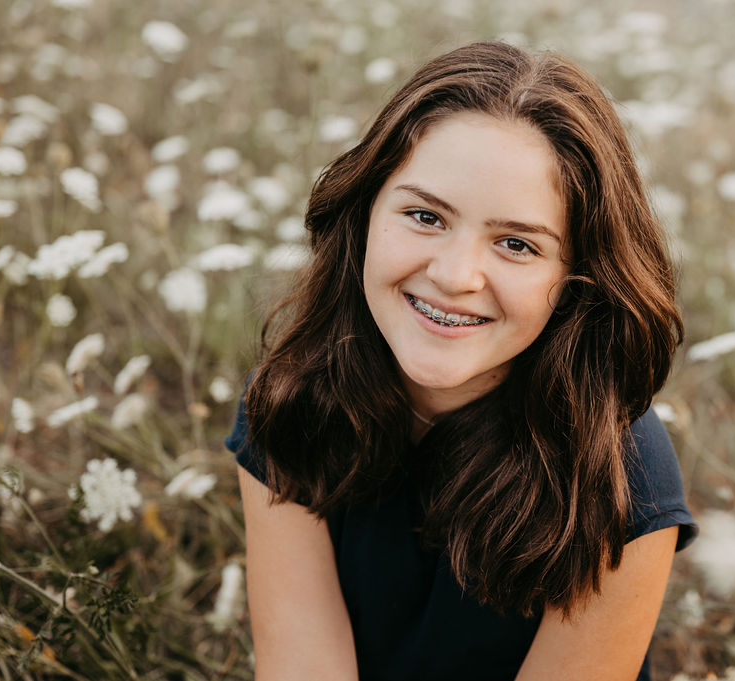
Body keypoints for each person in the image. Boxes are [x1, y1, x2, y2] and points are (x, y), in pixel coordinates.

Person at [226, 40, 698, 681]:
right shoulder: (292, 401)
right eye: (425, 216)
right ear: (365, 214)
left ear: (576, 277)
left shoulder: (621, 473)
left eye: (515, 244)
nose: (454, 277)